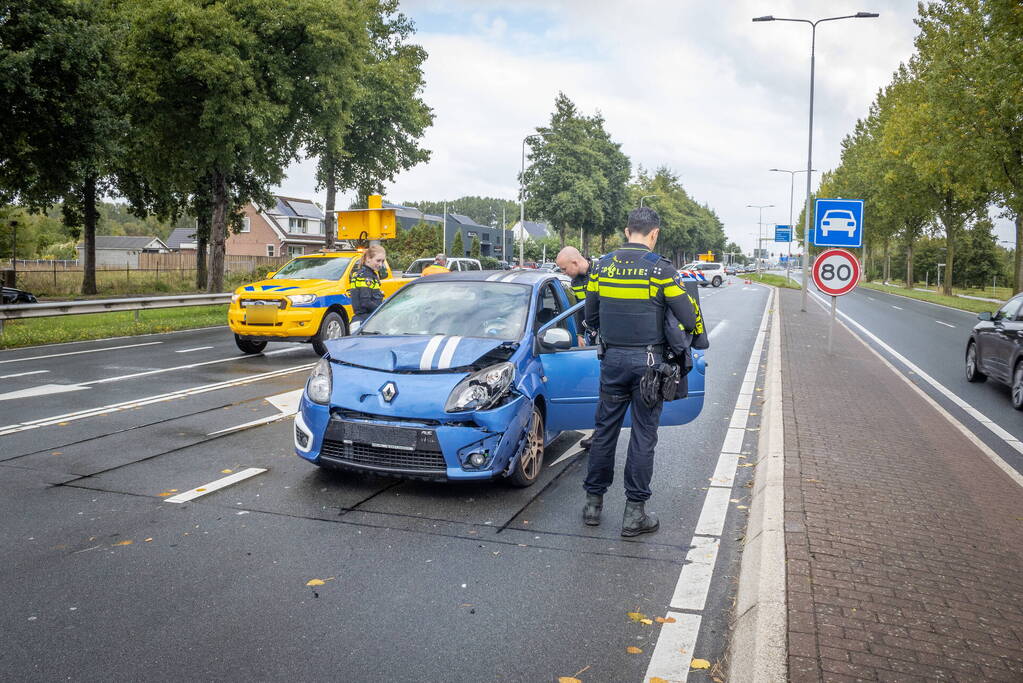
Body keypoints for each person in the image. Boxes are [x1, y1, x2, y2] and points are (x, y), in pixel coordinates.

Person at [582, 207, 704, 537]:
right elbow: (688, 318)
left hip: (612, 361)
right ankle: (634, 513)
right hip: (650, 365)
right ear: (654, 233)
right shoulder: (661, 270)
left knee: (604, 431)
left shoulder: (601, 267)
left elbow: (590, 317)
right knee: (643, 435)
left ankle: (593, 504)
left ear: (627, 231)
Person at [349, 245, 386, 322]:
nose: (380, 264)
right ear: (368, 259)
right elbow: (365, 302)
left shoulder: (364, 274)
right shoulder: (366, 276)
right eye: (378, 260)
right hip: (366, 319)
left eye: (382, 261)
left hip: (365, 318)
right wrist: (382, 309)